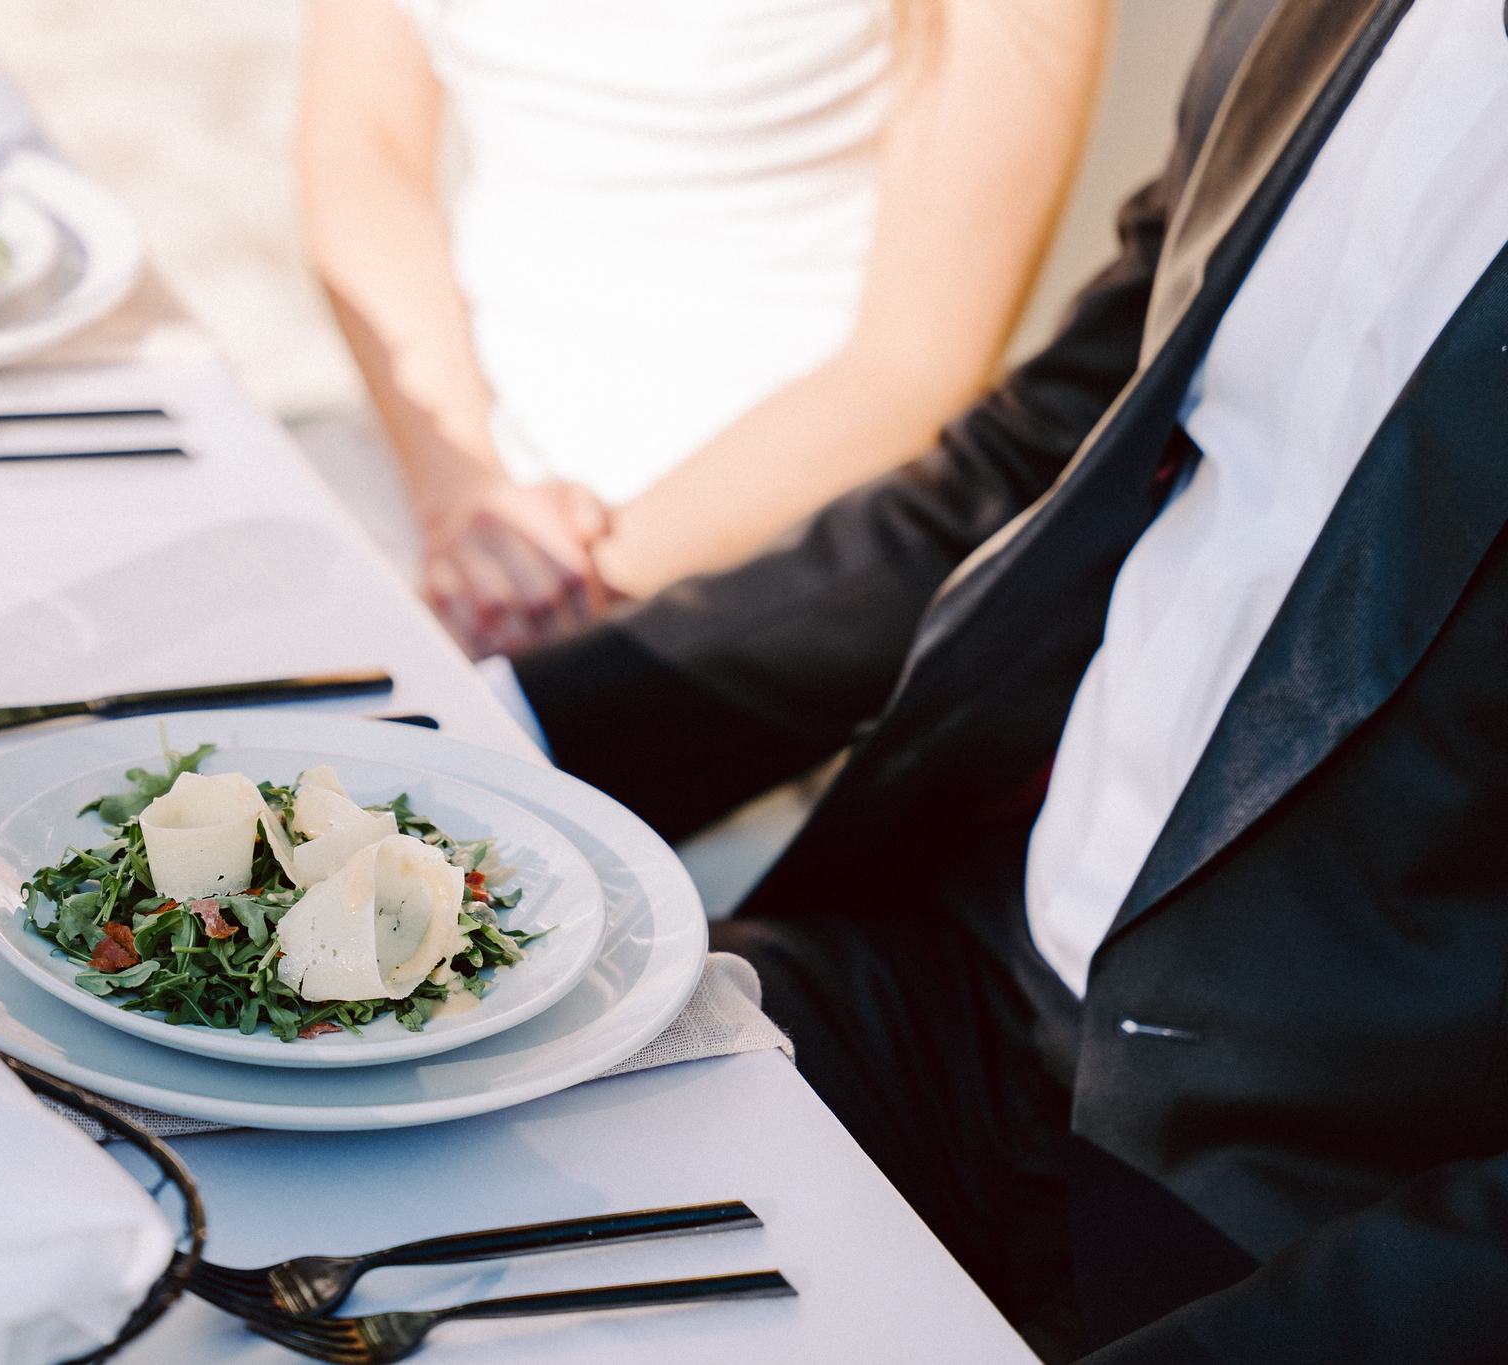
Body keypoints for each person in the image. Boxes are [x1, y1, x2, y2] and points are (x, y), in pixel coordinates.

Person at [511, 0, 1508, 1359]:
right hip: (953, 982)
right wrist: (493, 733)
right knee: (381, 1139)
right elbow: (1034, 462)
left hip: (1285, 1224)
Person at [300, 0, 1109, 658]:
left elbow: (916, 360)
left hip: (764, 556)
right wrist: (464, 500)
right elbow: (363, 146)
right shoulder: (461, 510)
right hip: (443, 471)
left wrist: (563, 585)